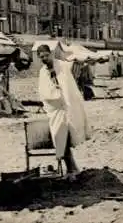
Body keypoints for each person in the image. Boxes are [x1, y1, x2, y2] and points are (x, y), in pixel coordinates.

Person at [37, 44, 90, 179]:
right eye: (41, 57)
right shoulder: (43, 72)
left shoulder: (62, 66)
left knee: (65, 138)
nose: (44, 58)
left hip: (67, 106)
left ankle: (72, 169)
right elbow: (43, 92)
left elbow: (68, 86)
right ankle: (72, 168)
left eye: (46, 55)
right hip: (54, 109)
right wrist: (54, 93)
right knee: (60, 138)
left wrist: (61, 93)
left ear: (51, 54)